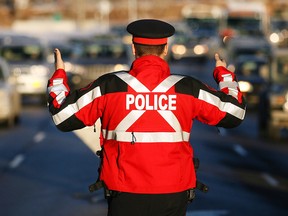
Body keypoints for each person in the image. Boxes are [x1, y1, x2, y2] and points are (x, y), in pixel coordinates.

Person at [47, 19, 246, 216]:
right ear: (166, 49)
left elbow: (62, 117)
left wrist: (58, 75)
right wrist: (225, 76)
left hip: (124, 194)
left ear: (134, 49)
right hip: (173, 194)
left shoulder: (108, 86)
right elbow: (234, 113)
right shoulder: (187, 88)